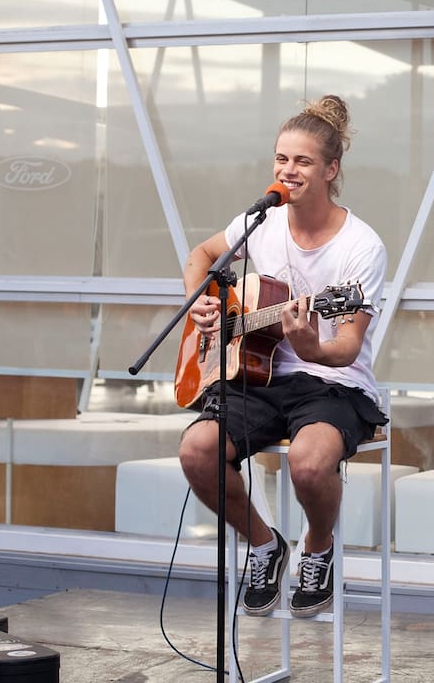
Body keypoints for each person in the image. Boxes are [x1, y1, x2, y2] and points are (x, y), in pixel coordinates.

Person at [178, 94, 387, 618]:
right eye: (281, 158)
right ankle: (265, 544)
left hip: (333, 382)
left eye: (303, 161)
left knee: (308, 464)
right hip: (260, 375)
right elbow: (201, 255)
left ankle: (317, 547)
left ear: (331, 170)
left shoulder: (362, 246)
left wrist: (311, 345)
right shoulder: (262, 222)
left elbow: (347, 346)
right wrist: (201, 300)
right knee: (197, 452)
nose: (287, 171)